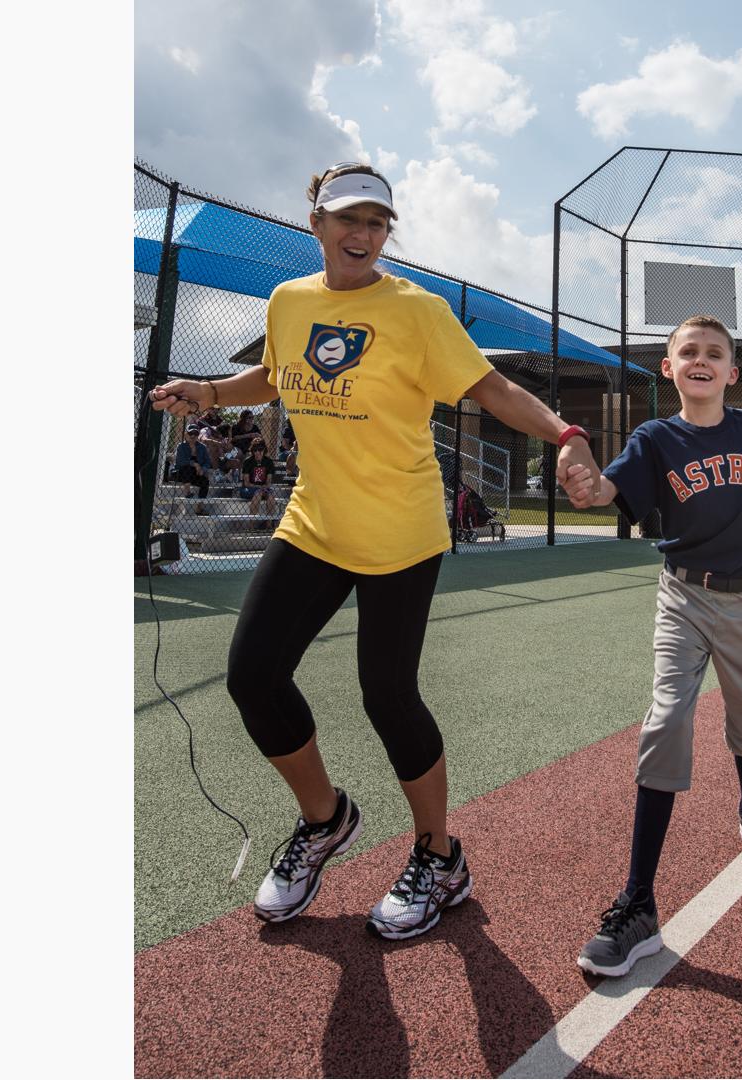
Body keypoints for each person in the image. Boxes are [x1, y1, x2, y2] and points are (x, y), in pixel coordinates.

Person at [149, 160, 603, 940]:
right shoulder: (289, 300)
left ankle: (440, 855)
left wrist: (566, 434)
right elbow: (280, 373)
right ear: (316, 225)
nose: (362, 234)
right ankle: (325, 819)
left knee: (387, 698)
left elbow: (489, 387)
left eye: (377, 222)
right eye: (347, 219)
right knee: (253, 677)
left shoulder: (418, 312)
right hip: (314, 525)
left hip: (400, 532)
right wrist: (213, 392)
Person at [560, 314, 742, 978]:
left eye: (715, 353)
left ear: (732, 373)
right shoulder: (656, 437)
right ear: (669, 369)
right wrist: (589, 483)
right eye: (688, 351)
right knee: (667, 718)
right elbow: (613, 489)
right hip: (684, 597)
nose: (701, 359)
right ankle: (638, 902)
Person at [169, 425, 212, 500]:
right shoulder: (181, 446)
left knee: (205, 482)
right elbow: (180, 462)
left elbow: (208, 462)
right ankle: (187, 492)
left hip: (195, 474)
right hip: (181, 473)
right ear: (186, 434)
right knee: (187, 467)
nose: (193, 436)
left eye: (195, 434)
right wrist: (195, 464)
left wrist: (203, 469)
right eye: (190, 433)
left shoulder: (202, 447)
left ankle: (200, 506)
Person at [240, 438, 279, 516]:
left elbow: (268, 482)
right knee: (258, 493)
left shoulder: (269, 462)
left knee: (271, 496)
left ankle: (269, 524)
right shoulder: (248, 462)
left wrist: (263, 487)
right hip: (249, 489)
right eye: (255, 450)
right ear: (252, 451)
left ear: (264, 450)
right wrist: (259, 487)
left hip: (264, 488)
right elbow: (246, 483)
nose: (257, 452)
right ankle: (252, 524)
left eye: (260, 450)